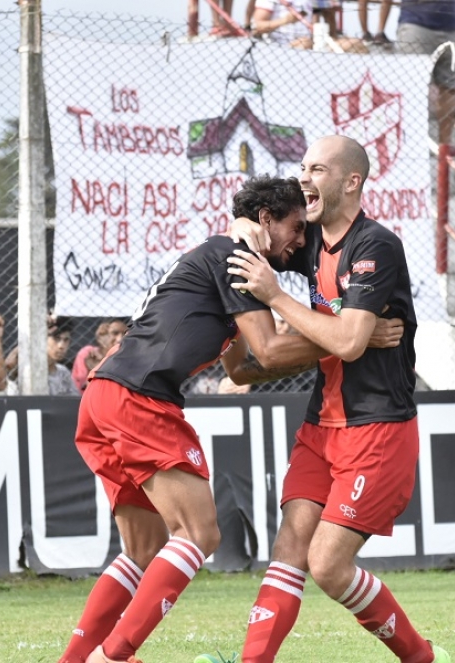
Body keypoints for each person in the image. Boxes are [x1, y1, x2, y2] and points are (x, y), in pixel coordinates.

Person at [60, 175, 402, 663]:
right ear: (265, 220)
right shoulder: (240, 257)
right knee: (200, 534)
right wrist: (353, 335)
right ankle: (110, 657)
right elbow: (270, 347)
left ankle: (73, 658)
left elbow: (242, 366)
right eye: (295, 229)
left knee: (144, 547)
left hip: (103, 396)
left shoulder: (226, 251)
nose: (301, 241)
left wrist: (330, 348)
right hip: (140, 397)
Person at [218, 135, 448, 663]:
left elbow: (346, 342)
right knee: (290, 549)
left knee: (327, 565)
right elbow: (249, 232)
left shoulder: (376, 246)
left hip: (376, 430)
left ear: (351, 182)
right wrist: (243, 228)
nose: (304, 178)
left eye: (316, 169)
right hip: (322, 425)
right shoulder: (309, 239)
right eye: (302, 167)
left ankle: (420, 657)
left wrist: (277, 296)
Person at [396, 0, 455, 152]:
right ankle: (412, 143)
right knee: (413, 89)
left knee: (450, 88)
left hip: (449, 28)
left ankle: (444, 145)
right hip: (417, 25)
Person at [5, 315, 79, 396]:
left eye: (66, 340)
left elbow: (75, 402)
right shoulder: (26, 369)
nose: (61, 346)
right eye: (56, 338)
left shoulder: (63, 373)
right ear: (43, 338)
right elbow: (9, 363)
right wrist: (37, 333)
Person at [72, 318, 128, 392]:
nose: (120, 339)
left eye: (124, 334)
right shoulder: (87, 353)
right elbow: (80, 384)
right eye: (115, 333)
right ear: (101, 335)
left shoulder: (127, 358)